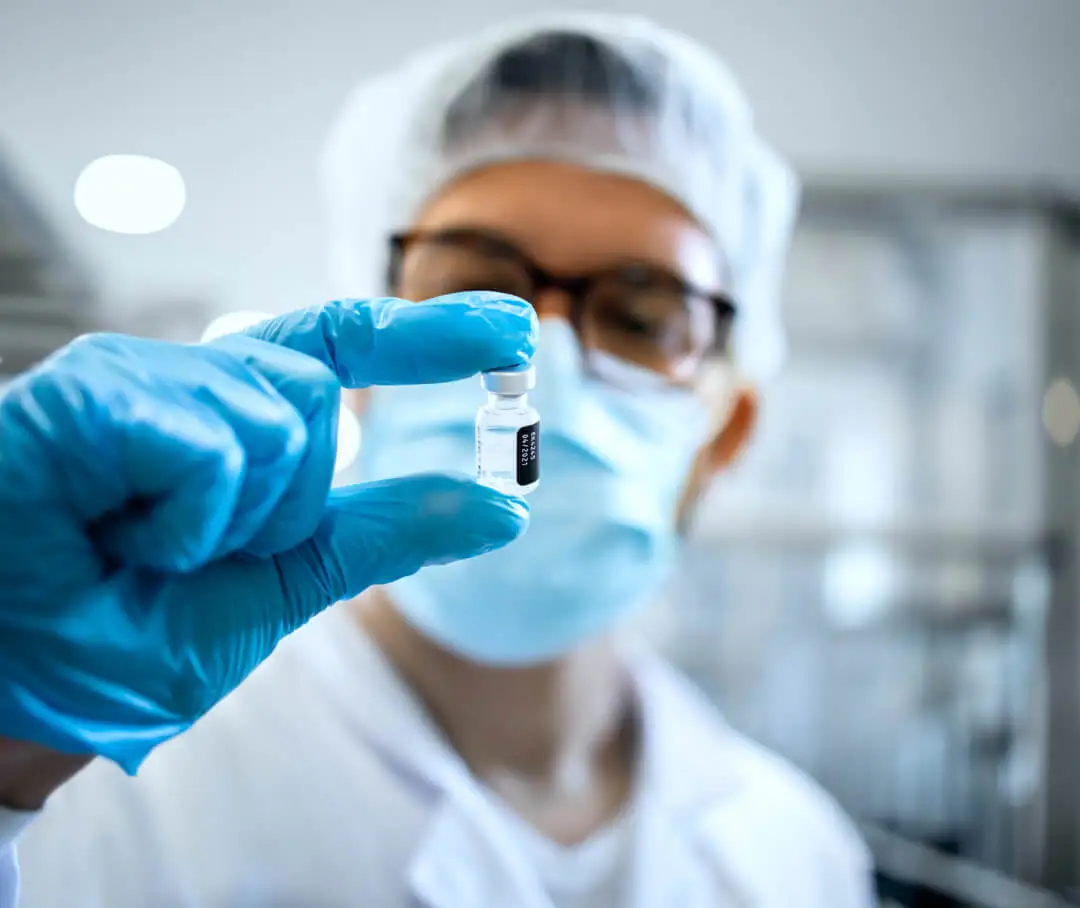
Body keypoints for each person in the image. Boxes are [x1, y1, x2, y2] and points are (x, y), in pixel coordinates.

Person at [17, 12, 875, 908]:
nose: (549, 361)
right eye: (478, 286)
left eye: (640, 315)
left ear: (724, 432)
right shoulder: (97, 781)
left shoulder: (797, 858)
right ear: (363, 370)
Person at [0, 293, 536, 906]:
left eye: (640, 321)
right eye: (476, 277)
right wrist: (7, 756)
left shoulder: (677, 748)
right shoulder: (135, 753)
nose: (567, 361)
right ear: (364, 390)